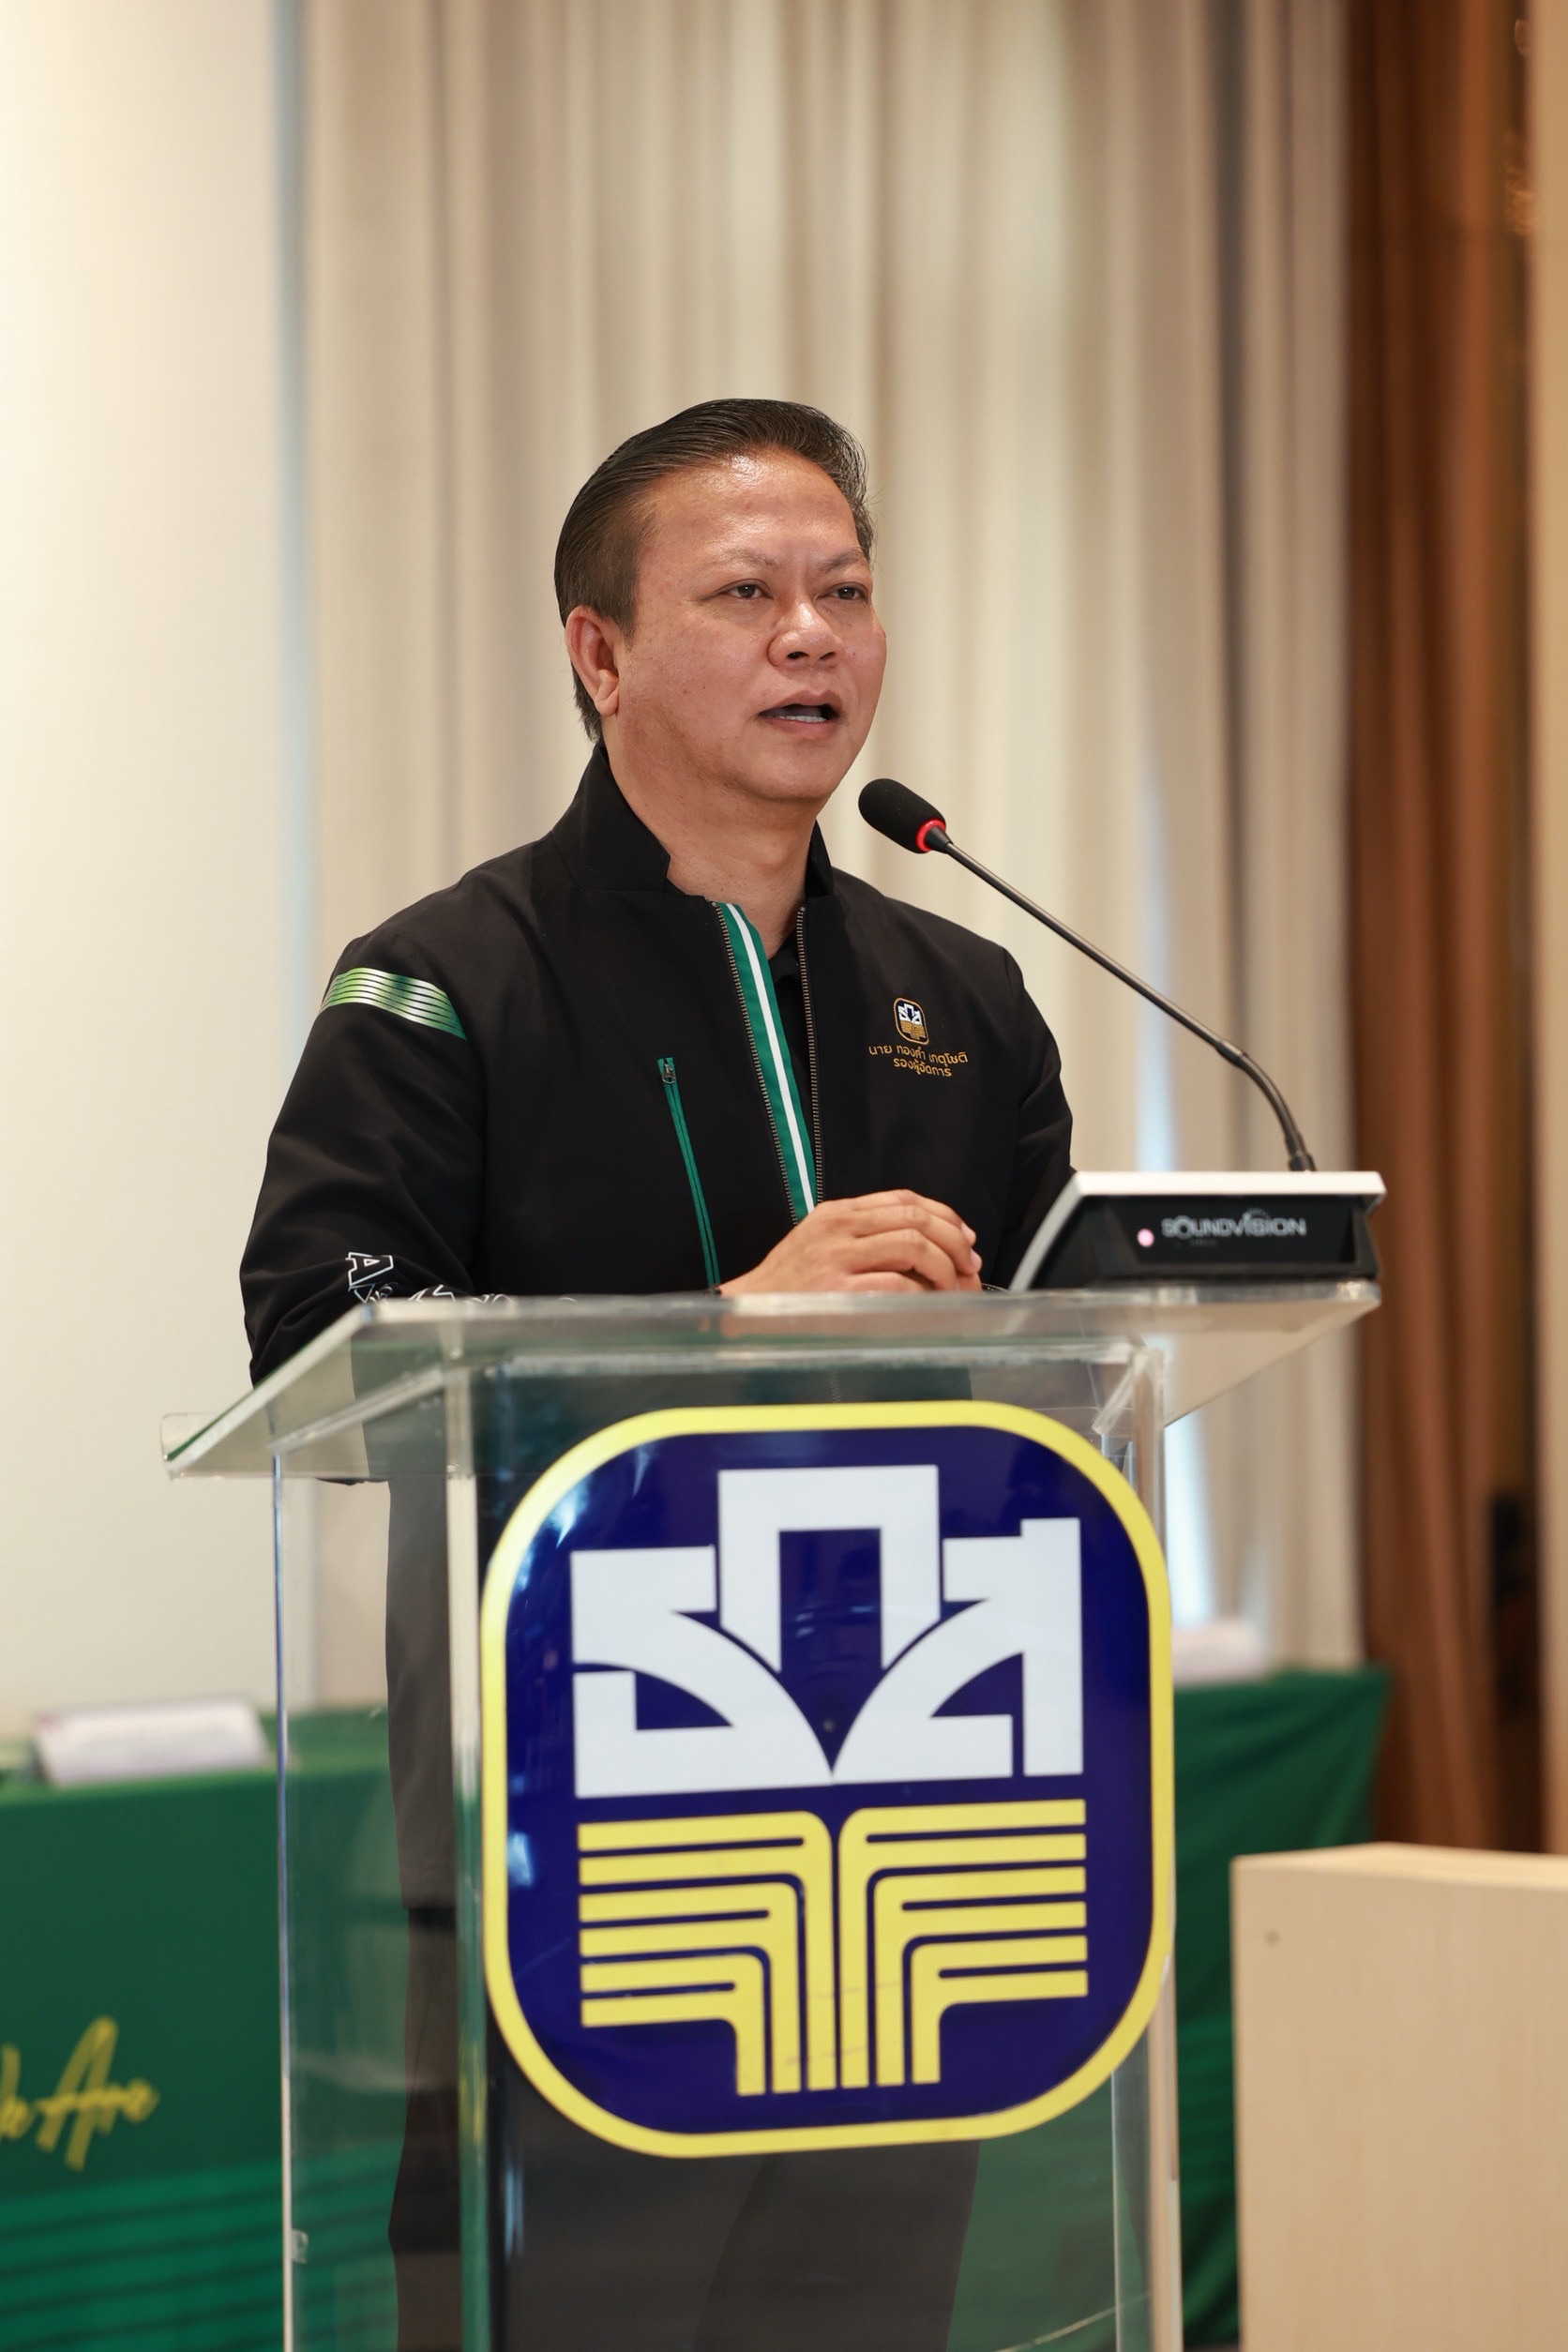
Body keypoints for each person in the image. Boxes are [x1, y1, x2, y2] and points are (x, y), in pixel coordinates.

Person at [241, 399, 1073, 2351]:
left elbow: (1068, 1359)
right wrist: (718, 1335)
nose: (812, 634)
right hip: (580, 1833)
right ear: (597, 653)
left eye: (844, 591)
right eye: (746, 594)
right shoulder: (444, 983)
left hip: (909, 1826)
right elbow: (323, 1351)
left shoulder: (966, 995)